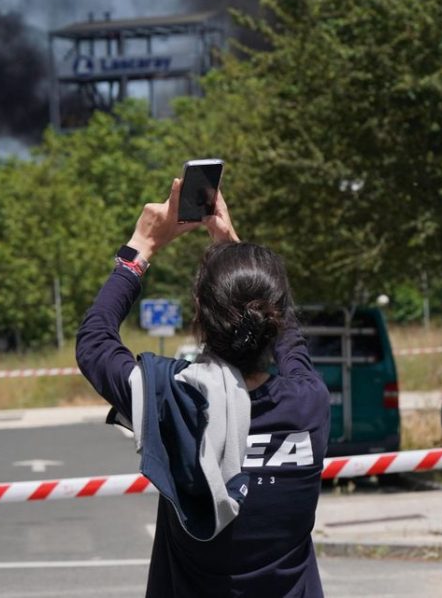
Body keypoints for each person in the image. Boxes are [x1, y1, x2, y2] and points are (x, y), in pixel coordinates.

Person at [75, 177, 330, 597]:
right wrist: (232, 246)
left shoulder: (171, 399)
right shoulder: (309, 403)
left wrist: (141, 246)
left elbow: (94, 343)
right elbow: (290, 339)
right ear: (276, 317)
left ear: (200, 315)